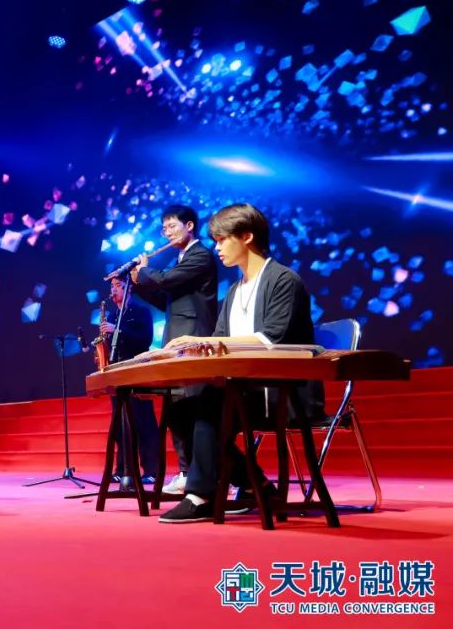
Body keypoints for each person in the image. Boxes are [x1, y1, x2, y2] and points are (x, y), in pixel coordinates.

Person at [158, 203, 321, 523]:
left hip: (283, 391)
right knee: (182, 409)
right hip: (245, 388)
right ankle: (255, 484)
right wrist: (190, 347)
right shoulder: (234, 290)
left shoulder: (283, 280)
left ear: (247, 237)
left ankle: (201, 494)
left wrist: (204, 342)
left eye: (222, 240)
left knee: (210, 404)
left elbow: (271, 339)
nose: (217, 248)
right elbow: (221, 338)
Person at [130, 205, 217, 493]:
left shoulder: (200, 255)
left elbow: (166, 280)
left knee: (193, 405)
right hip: (175, 335)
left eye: (171, 226)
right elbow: (166, 301)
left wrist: (144, 271)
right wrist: (138, 283)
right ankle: (186, 471)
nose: (166, 232)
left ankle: (207, 474)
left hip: (194, 336)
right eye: (164, 228)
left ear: (189, 225)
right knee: (177, 406)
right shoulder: (181, 258)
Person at [101, 277, 158, 486]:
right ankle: (123, 469)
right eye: (112, 286)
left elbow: (145, 339)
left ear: (129, 289)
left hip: (137, 370)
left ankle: (152, 470)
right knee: (119, 423)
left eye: (119, 286)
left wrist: (117, 330)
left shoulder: (141, 311)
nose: (114, 290)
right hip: (117, 371)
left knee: (143, 421)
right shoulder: (112, 314)